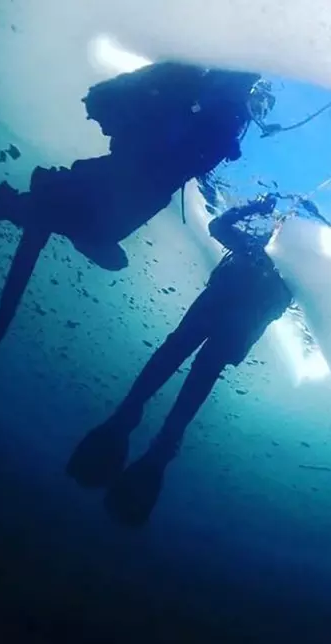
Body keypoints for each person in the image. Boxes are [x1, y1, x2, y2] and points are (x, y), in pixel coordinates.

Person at [0, 61, 275, 344]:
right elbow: (182, 138)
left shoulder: (222, 102)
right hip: (131, 181)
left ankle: (22, 208)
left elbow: (187, 142)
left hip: (130, 184)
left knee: (66, 226)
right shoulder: (217, 97)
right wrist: (224, 140)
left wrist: (225, 141)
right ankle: (19, 208)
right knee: (71, 226)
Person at [67, 193, 297, 525]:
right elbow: (282, 302)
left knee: (175, 354)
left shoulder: (251, 250)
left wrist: (255, 208)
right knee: (201, 370)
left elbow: (219, 226)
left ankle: (133, 424)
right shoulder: (267, 262)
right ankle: (154, 440)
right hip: (235, 323)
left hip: (217, 310)